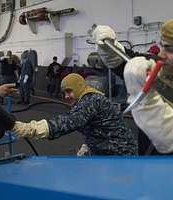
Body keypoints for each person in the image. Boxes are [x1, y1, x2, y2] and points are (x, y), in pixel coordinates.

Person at [92, 20, 173, 154]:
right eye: (162, 46)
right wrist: (110, 49)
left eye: (169, 49)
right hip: (148, 161)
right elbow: (125, 60)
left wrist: (148, 102)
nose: (161, 54)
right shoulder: (159, 66)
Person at [12, 73, 137, 155]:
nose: (66, 96)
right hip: (110, 152)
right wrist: (88, 145)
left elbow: (67, 122)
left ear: (78, 87)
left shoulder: (91, 100)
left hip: (120, 156)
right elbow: (99, 128)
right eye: (64, 93)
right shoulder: (88, 98)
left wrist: (30, 129)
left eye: (69, 91)